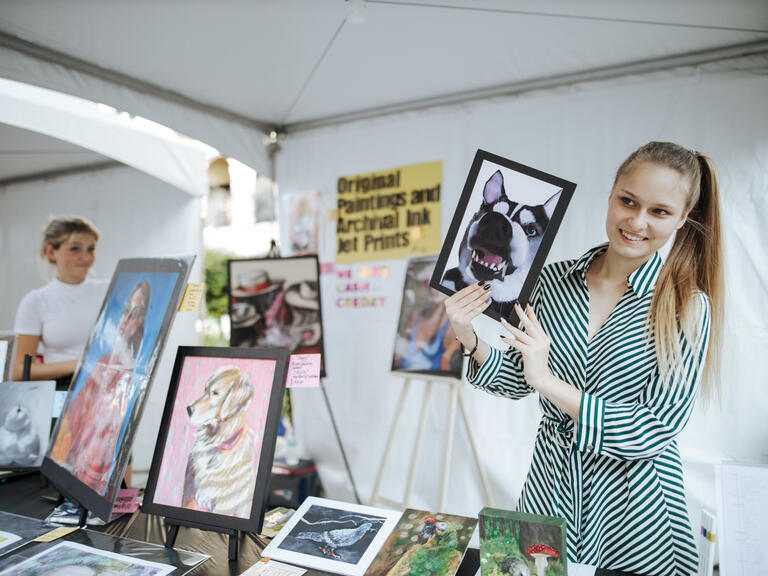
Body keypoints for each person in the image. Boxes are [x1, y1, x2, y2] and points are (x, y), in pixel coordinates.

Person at [445, 142, 722, 576]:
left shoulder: (686, 305)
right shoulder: (551, 281)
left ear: (683, 217)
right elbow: (518, 378)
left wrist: (547, 382)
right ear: (611, 194)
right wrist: (468, 336)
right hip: (548, 489)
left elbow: (653, 430)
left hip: (635, 511)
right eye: (628, 201)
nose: (637, 222)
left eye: (659, 211)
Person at [49, 281, 150, 496]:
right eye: (126, 311)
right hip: (75, 473)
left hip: (99, 477)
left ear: (141, 322)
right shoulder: (101, 364)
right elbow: (75, 422)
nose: (126, 319)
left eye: (135, 315)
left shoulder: (132, 374)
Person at [13, 217, 107, 382]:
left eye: (90, 249)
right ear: (51, 252)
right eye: (75, 249)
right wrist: (82, 364)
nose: (86, 257)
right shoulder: (36, 301)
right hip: (60, 388)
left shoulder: (109, 290)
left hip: (106, 386)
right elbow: (20, 371)